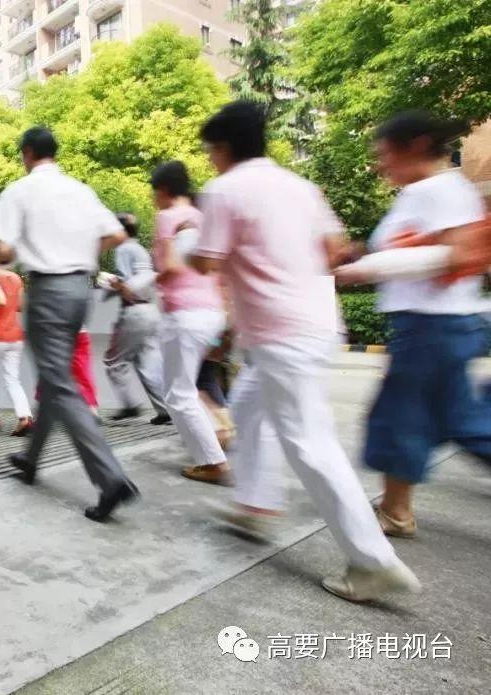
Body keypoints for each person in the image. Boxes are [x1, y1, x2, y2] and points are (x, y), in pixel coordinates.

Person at [190, 100, 419, 602]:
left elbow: (206, 262)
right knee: (249, 406)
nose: (210, 161)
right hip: (315, 324)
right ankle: (256, 502)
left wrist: (191, 243)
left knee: (310, 443)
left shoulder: (224, 190)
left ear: (223, 148)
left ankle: (371, 561)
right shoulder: (302, 188)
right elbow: (335, 252)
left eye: (211, 151)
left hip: (279, 333)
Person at [334, 111, 491, 540]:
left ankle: (397, 513)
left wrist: (370, 267)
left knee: (399, 419)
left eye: (385, 154)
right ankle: (396, 509)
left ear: (418, 145)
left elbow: (457, 256)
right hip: (433, 327)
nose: (380, 164)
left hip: (432, 328)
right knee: (461, 422)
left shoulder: (442, 190)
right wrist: (360, 256)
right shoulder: (422, 192)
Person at [0, 126, 138, 521]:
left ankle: (110, 479)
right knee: (55, 379)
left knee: (59, 381)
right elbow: (118, 234)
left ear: (28, 153)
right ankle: (31, 458)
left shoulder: (20, 191)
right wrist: (83, 248)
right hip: (80, 290)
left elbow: (1, 249)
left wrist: (20, 246)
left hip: (48, 291)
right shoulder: (80, 190)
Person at [150, 160, 232, 486]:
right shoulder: (204, 217)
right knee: (188, 387)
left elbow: (168, 266)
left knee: (178, 393)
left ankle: (213, 461)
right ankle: (215, 436)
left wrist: (143, 282)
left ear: (164, 190)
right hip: (212, 313)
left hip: (183, 313)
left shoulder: (167, 217)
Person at [103, 212, 170, 425]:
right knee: (148, 363)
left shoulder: (123, 249)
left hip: (133, 312)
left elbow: (125, 283)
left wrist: (111, 284)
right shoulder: (140, 249)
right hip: (151, 311)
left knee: (113, 360)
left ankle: (129, 405)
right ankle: (165, 410)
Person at [0, 242, 33, 436]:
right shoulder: (16, 278)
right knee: (13, 379)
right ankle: (25, 417)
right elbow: (20, 306)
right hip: (15, 336)